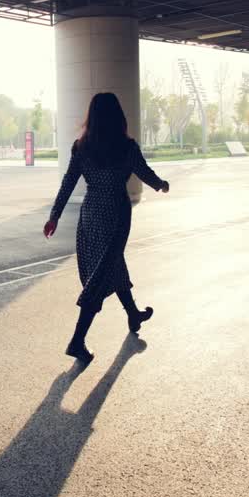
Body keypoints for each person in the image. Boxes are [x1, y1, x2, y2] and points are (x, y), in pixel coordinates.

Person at [43, 92, 170, 363]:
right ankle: (77, 341)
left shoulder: (81, 147)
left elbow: (68, 182)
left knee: (111, 264)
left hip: (90, 215)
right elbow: (143, 171)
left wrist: (54, 216)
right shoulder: (126, 146)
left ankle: (133, 314)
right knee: (100, 277)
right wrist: (160, 184)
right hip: (116, 214)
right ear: (118, 116)